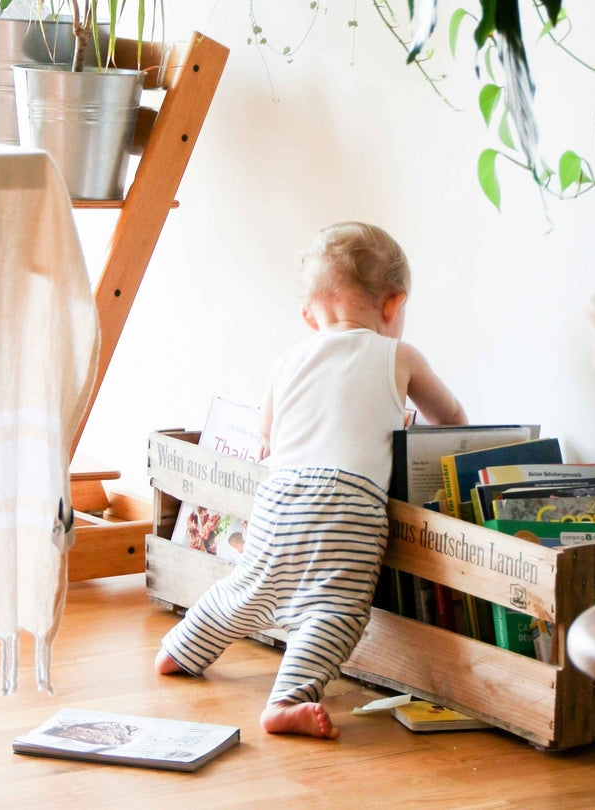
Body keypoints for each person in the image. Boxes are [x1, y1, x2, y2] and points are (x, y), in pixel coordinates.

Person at [155, 222, 467, 739]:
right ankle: (287, 699)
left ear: (309, 315)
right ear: (393, 306)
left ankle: (181, 649)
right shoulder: (400, 356)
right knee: (336, 609)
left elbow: (267, 437)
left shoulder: (287, 361)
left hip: (281, 497)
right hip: (350, 504)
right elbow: (452, 420)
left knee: (250, 588)